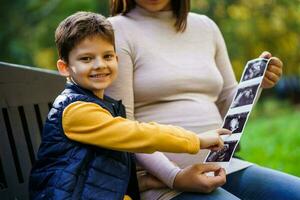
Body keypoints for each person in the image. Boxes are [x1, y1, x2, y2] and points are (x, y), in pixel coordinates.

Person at [107, 0, 300, 199]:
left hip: (222, 166)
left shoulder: (205, 27)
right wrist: (175, 176)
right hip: (160, 179)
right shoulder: (115, 30)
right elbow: (123, 128)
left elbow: (228, 105)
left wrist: (256, 84)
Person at [29, 11, 231, 200]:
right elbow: (139, 134)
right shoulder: (76, 111)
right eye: (86, 59)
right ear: (65, 67)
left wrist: (154, 180)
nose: (100, 64)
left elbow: (103, 168)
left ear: (116, 60)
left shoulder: (103, 106)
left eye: (107, 56)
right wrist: (196, 140)